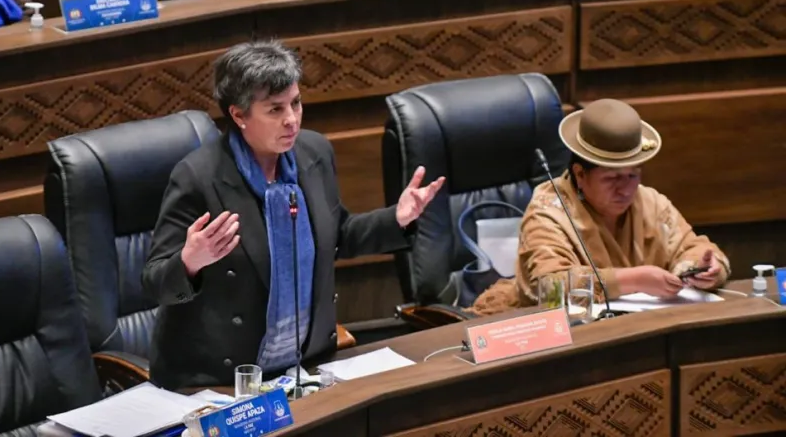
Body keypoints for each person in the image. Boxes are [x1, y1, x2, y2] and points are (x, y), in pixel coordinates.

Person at [142, 40, 445, 389]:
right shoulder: (198, 177)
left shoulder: (313, 154)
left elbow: (338, 235)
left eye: (296, 103)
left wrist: (399, 218)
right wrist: (190, 262)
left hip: (305, 365)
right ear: (238, 115)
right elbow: (153, 281)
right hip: (221, 379)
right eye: (274, 110)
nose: (291, 120)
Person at [472, 98, 730, 315]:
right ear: (580, 174)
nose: (626, 189)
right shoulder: (548, 210)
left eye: (632, 175)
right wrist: (635, 280)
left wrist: (699, 269)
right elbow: (550, 286)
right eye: (612, 178)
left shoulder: (650, 201)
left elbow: (693, 246)